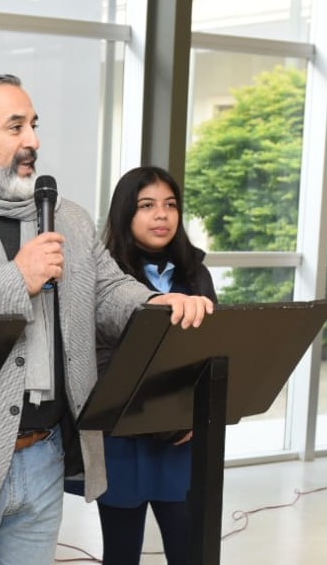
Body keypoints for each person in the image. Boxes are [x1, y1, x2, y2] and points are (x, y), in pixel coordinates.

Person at [0, 74, 213, 565]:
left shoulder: (66, 216)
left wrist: (150, 304)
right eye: (15, 127)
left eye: (33, 125)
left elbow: (109, 289)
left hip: (44, 457)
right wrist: (16, 279)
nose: (32, 140)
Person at [94, 166, 218, 565]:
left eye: (170, 205)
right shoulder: (106, 276)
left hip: (184, 437)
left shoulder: (195, 274)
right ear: (124, 214)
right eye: (147, 206)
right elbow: (100, 356)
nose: (161, 215)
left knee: (188, 549)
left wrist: (195, 415)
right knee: (121, 551)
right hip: (123, 436)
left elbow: (212, 352)